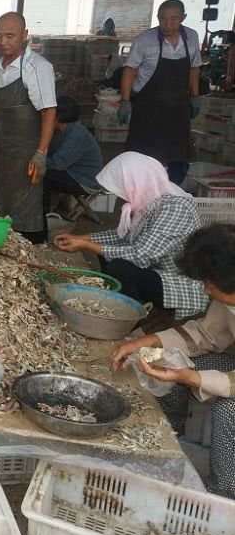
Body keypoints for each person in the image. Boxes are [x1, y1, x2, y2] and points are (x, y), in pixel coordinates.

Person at [109, 224, 235, 499]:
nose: (206, 289)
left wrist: (190, 377)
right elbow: (207, 334)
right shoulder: (227, 298)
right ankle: (164, 442)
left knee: (229, 410)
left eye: (210, 284)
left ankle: (224, 492)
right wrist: (145, 342)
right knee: (172, 363)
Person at [54, 152, 208, 319]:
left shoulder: (175, 208)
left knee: (119, 268)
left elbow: (141, 255)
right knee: (109, 254)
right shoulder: (150, 199)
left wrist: (86, 245)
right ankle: (121, 301)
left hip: (179, 283)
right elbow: (123, 235)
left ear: (135, 182)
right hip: (155, 269)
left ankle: (134, 316)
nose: (121, 195)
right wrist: (81, 239)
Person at [0, 12, 57, 244]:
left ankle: (26, 251)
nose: (3, 42)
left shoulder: (37, 67)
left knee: (22, 210)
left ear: (25, 35)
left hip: (24, 155)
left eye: (10, 36)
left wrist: (41, 153)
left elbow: (48, 111)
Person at [119, 0, 203, 185]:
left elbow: (194, 68)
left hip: (178, 108)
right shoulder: (144, 40)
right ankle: (141, 190)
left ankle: (170, 191)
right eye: (163, 19)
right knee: (142, 155)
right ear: (157, 17)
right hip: (148, 107)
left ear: (183, 18)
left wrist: (195, 96)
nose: (167, 24)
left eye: (174, 19)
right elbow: (129, 70)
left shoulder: (191, 37)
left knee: (178, 156)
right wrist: (125, 101)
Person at [43, 96, 103, 220]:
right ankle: (48, 210)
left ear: (58, 116)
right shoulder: (62, 131)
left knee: (44, 176)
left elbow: (57, 164)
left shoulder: (76, 134)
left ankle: (43, 215)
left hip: (86, 181)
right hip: (74, 173)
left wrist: (35, 159)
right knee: (43, 172)